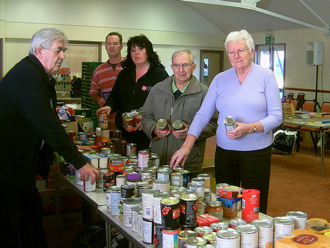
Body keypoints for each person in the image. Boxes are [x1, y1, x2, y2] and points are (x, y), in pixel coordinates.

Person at [0, 28, 99, 248]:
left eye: (64, 50)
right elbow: (48, 126)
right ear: (39, 51)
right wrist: (79, 162)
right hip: (7, 168)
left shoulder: (41, 76)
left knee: (32, 220)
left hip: (19, 167)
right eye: (58, 50)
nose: (63, 55)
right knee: (10, 226)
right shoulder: (28, 77)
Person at [170, 30, 282, 213]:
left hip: (256, 153)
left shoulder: (266, 76)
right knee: (224, 205)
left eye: (241, 51)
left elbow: (276, 117)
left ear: (251, 52)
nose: (236, 56)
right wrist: (187, 146)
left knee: (254, 208)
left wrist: (250, 128)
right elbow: (203, 115)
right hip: (225, 153)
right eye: (231, 52)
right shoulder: (220, 79)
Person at [142, 49, 217, 177]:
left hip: (189, 162)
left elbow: (213, 123)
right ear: (172, 67)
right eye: (176, 65)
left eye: (185, 65)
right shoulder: (157, 90)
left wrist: (190, 131)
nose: (181, 70)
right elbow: (146, 116)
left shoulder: (204, 92)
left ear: (193, 67)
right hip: (159, 160)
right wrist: (153, 129)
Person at [97, 35, 168, 151]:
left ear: (148, 51)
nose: (136, 53)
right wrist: (108, 107)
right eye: (133, 50)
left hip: (148, 134)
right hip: (124, 133)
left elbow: (166, 105)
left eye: (140, 49)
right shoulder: (124, 74)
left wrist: (148, 121)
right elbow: (114, 98)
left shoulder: (159, 74)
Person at [89, 32, 125, 129]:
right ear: (105, 46)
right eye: (109, 44)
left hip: (126, 123)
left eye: (115, 44)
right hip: (106, 123)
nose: (112, 47)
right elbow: (93, 93)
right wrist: (98, 100)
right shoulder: (98, 70)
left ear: (121, 46)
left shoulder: (130, 67)